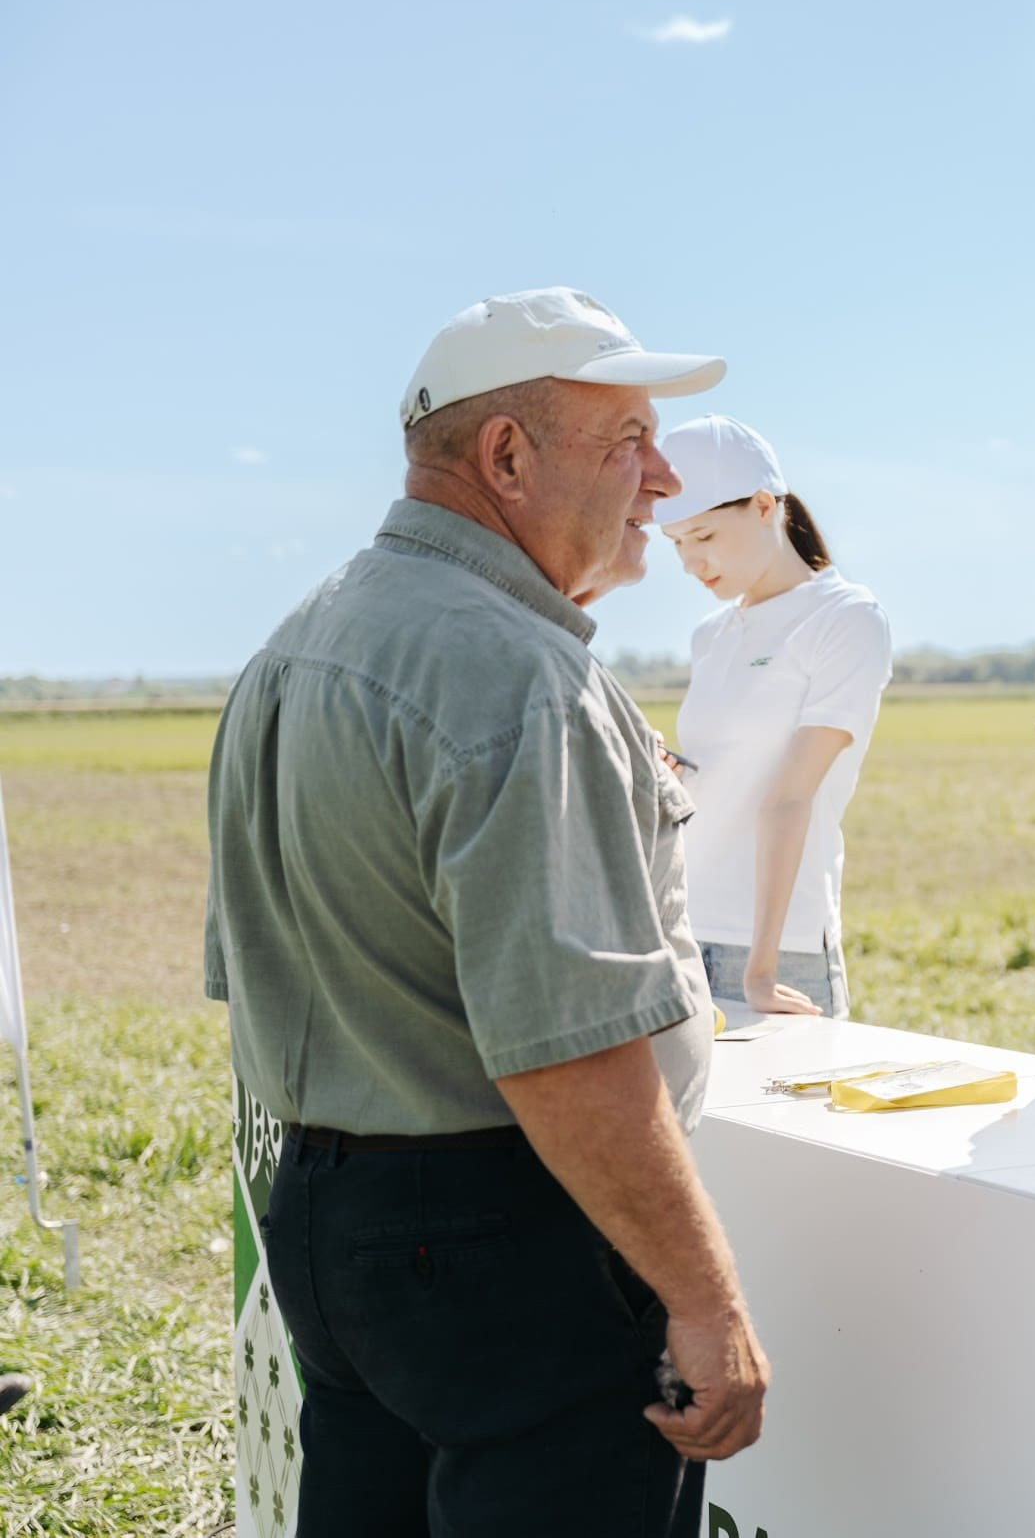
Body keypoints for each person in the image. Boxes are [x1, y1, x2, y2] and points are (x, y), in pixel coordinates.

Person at [205, 288, 768, 1535]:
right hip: (508, 1234)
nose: (664, 478)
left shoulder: (298, 643)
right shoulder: (519, 674)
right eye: (627, 438)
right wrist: (706, 1300)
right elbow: (570, 1053)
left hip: (329, 1218)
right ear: (506, 456)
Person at [656, 415, 892, 1019]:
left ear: (765, 506)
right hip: (682, 930)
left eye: (703, 537)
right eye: (676, 542)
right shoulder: (711, 635)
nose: (689, 561)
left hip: (777, 947)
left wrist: (761, 970)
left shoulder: (845, 617)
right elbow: (722, 777)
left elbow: (790, 798)